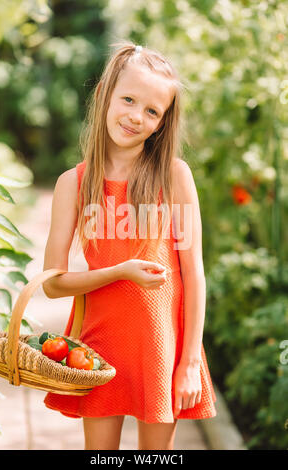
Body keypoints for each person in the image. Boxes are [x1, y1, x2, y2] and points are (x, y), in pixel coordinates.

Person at [42, 41, 217, 451]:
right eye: (129, 100)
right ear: (105, 93)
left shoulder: (175, 177)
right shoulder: (74, 183)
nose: (136, 116)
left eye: (152, 111)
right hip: (97, 347)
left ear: (162, 122)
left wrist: (189, 362)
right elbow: (52, 283)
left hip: (162, 346)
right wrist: (120, 271)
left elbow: (193, 273)